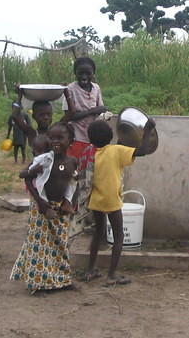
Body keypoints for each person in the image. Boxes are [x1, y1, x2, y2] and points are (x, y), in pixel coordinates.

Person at [82, 118, 156, 287]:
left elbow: (109, 155)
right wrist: (147, 130)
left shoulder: (91, 151)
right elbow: (142, 151)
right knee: (118, 236)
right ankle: (111, 275)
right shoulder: (116, 150)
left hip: (96, 198)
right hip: (111, 199)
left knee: (98, 233)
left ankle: (90, 270)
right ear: (110, 136)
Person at [10, 122, 78, 293]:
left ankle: (62, 279)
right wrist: (40, 202)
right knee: (39, 245)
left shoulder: (72, 162)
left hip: (60, 207)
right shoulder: (44, 159)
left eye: (60, 138)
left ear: (71, 140)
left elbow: (74, 182)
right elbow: (25, 176)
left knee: (60, 244)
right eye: (52, 137)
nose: (55, 141)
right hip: (41, 206)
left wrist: (68, 202)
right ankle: (39, 283)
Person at [61, 57, 107, 171]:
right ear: (75, 73)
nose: (84, 77)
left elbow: (100, 108)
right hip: (77, 137)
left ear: (93, 73)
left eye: (88, 73)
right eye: (80, 73)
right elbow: (70, 115)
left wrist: (103, 112)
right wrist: (92, 111)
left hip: (93, 137)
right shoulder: (70, 89)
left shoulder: (96, 88)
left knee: (91, 168)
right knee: (75, 167)